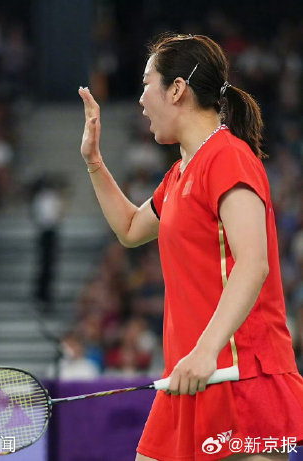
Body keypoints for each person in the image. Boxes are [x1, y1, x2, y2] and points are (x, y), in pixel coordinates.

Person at [78, 33, 303, 461]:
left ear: (177, 89)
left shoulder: (228, 157)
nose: (141, 100)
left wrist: (206, 350)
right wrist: (94, 161)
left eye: (147, 84)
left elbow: (253, 263)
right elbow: (130, 228)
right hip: (191, 374)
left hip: (239, 373)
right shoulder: (181, 173)